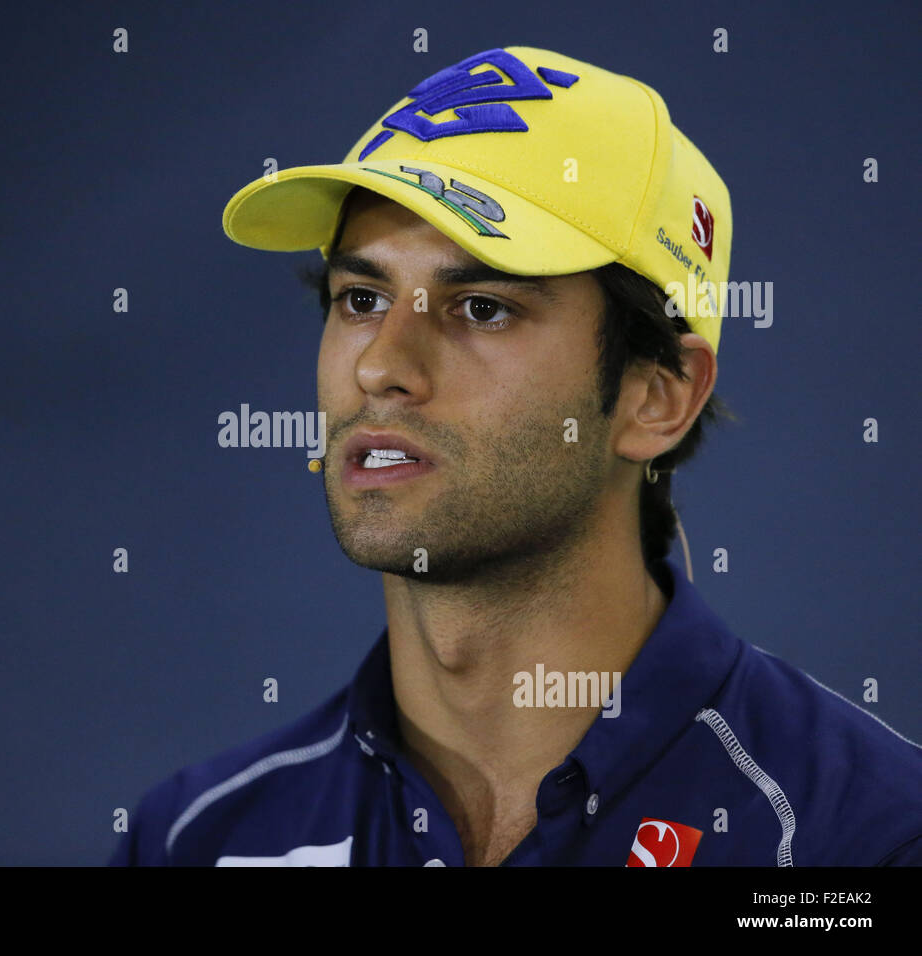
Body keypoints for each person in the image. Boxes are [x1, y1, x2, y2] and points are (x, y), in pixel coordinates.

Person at [109, 46, 922, 866]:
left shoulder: (865, 839)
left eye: (483, 308)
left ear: (659, 397)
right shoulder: (196, 840)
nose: (381, 367)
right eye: (361, 299)